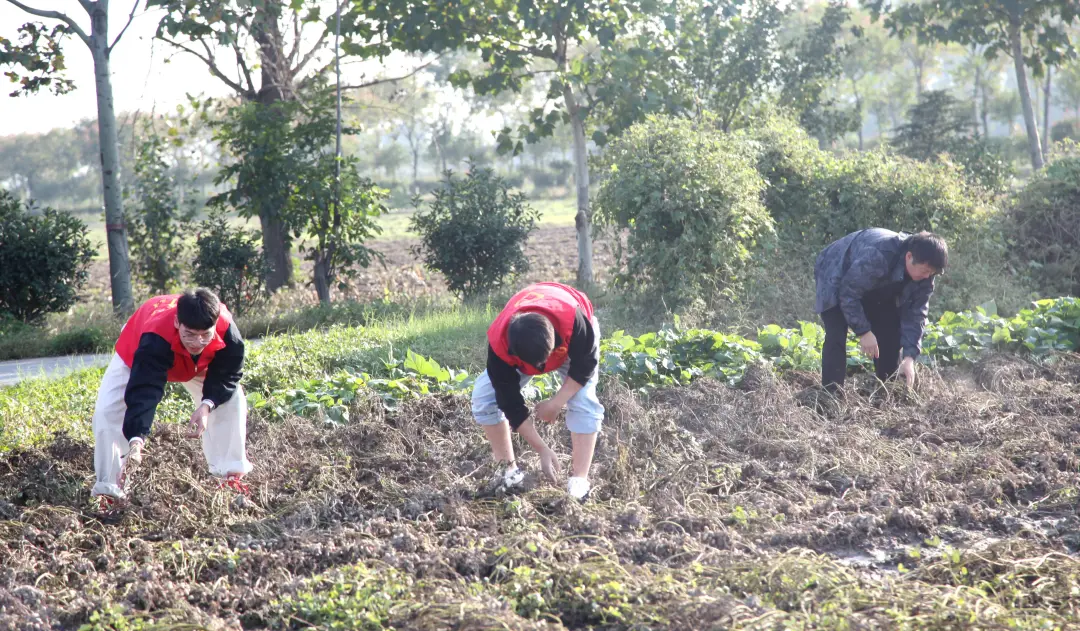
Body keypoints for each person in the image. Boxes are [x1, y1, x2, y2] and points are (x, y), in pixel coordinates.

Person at [91, 289, 252, 511]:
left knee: (232, 400)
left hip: (199, 366)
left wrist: (207, 405)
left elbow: (227, 374)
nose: (197, 342)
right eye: (190, 334)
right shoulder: (155, 337)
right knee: (107, 413)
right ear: (177, 322)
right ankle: (111, 490)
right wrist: (137, 438)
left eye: (205, 334)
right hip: (138, 353)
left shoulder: (227, 330)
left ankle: (230, 477)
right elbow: (145, 389)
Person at [472, 282, 604, 500]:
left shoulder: (574, 321)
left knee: (584, 400)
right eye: (537, 367)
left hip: (570, 346)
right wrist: (542, 449)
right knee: (483, 397)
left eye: (544, 363)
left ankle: (579, 482)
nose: (542, 370)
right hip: (527, 352)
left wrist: (556, 403)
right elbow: (509, 402)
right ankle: (508, 473)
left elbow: (585, 367)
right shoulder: (500, 345)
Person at [814, 229, 948, 391]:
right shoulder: (879, 255)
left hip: (875, 282)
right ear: (909, 257)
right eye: (925, 271)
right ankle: (831, 396)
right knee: (836, 332)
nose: (928, 277)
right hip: (836, 272)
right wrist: (863, 331)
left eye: (932, 273)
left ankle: (886, 393)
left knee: (890, 329)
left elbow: (916, 315)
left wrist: (909, 357)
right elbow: (848, 293)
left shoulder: (925, 274)